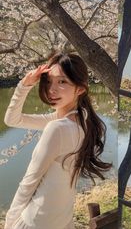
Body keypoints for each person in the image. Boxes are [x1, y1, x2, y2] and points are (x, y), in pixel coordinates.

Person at [4, 52, 112, 229]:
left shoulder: (57, 128)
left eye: (62, 82)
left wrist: (9, 223)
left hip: (36, 222)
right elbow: (12, 120)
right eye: (48, 81)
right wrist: (24, 85)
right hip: (61, 219)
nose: (51, 90)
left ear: (80, 89)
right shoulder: (84, 121)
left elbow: (29, 181)